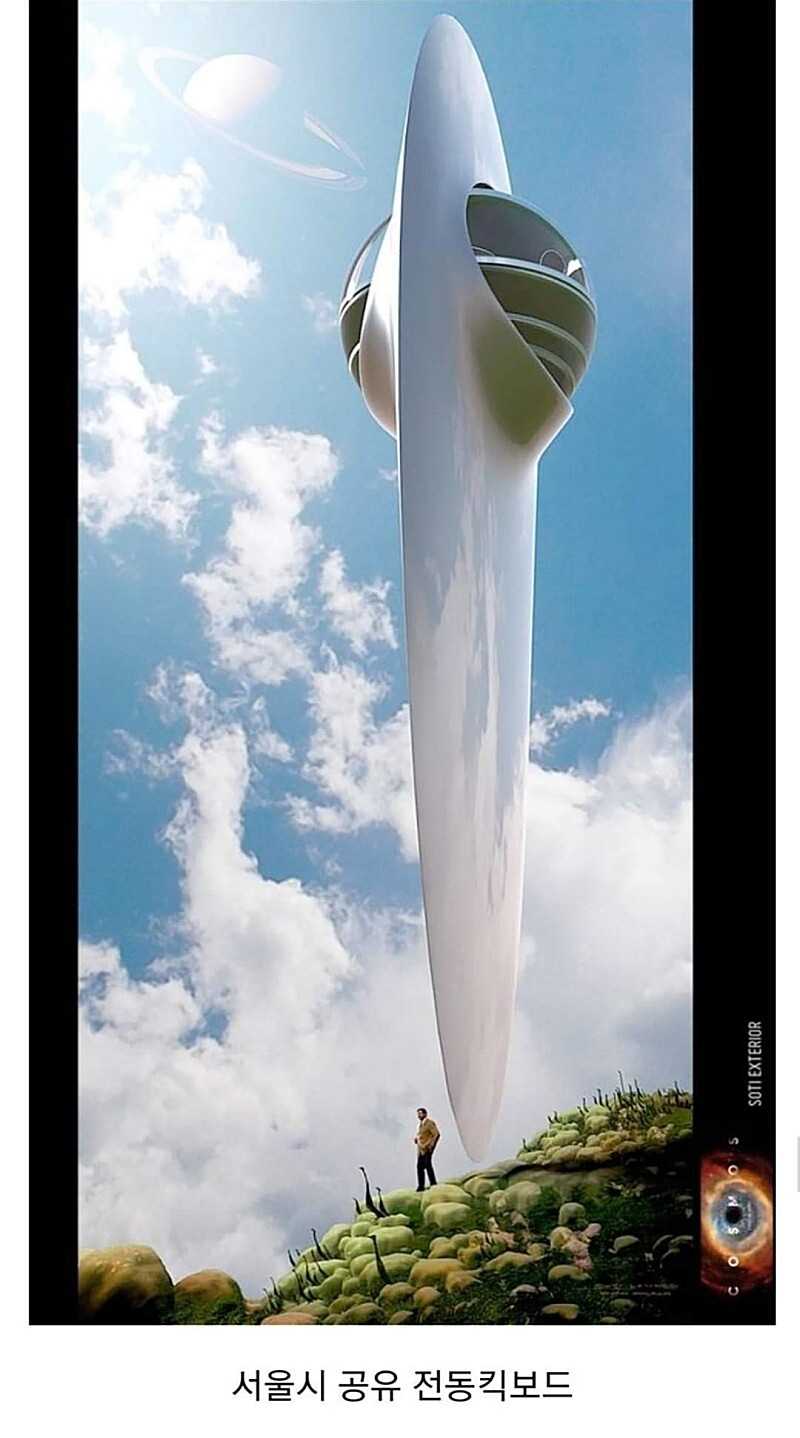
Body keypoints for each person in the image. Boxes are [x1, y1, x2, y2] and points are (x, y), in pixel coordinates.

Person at [414, 1106, 440, 1190]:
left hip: (427, 1148)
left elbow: (436, 1134)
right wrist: (417, 1139)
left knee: (428, 1165)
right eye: (418, 1114)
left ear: (425, 1114)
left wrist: (431, 1145)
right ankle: (421, 1186)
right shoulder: (421, 1125)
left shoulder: (429, 1123)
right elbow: (422, 1135)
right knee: (420, 1167)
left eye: (420, 1113)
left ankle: (433, 1183)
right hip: (421, 1149)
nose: (419, 1115)